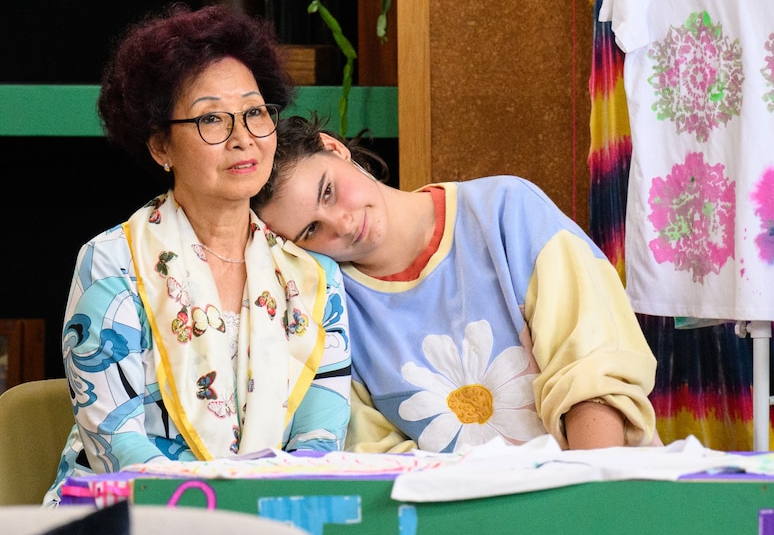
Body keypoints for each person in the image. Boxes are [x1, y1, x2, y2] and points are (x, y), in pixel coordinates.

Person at [44, 6, 351, 506]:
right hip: (132, 515)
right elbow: (117, 442)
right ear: (161, 145)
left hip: (272, 515)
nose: (242, 137)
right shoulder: (112, 265)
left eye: (255, 112)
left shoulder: (315, 279)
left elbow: (320, 442)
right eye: (212, 118)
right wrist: (210, 515)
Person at [251, 114, 662, 453]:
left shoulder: (508, 213)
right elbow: (379, 461)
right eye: (310, 231)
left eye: (329, 191)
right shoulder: (331, 313)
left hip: (601, 498)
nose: (341, 223)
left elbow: (595, 377)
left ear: (335, 148)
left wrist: (589, 510)